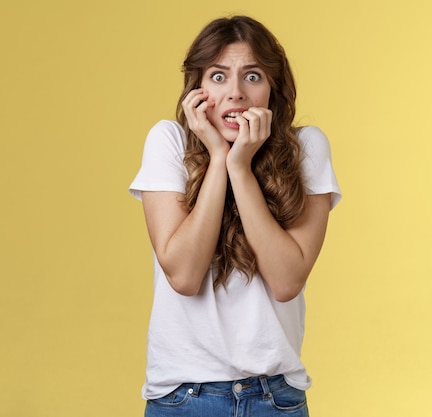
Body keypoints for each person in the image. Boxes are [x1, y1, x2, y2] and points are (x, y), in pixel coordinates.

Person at [129, 15, 341, 417]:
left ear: (272, 89)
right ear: (197, 87)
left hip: (274, 398)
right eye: (219, 76)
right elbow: (185, 275)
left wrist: (240, 169)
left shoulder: (306, 148)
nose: (236, 94)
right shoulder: (167, 142)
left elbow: (286, 280)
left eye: (253, 76)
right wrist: (218, 158)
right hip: (183, 397)